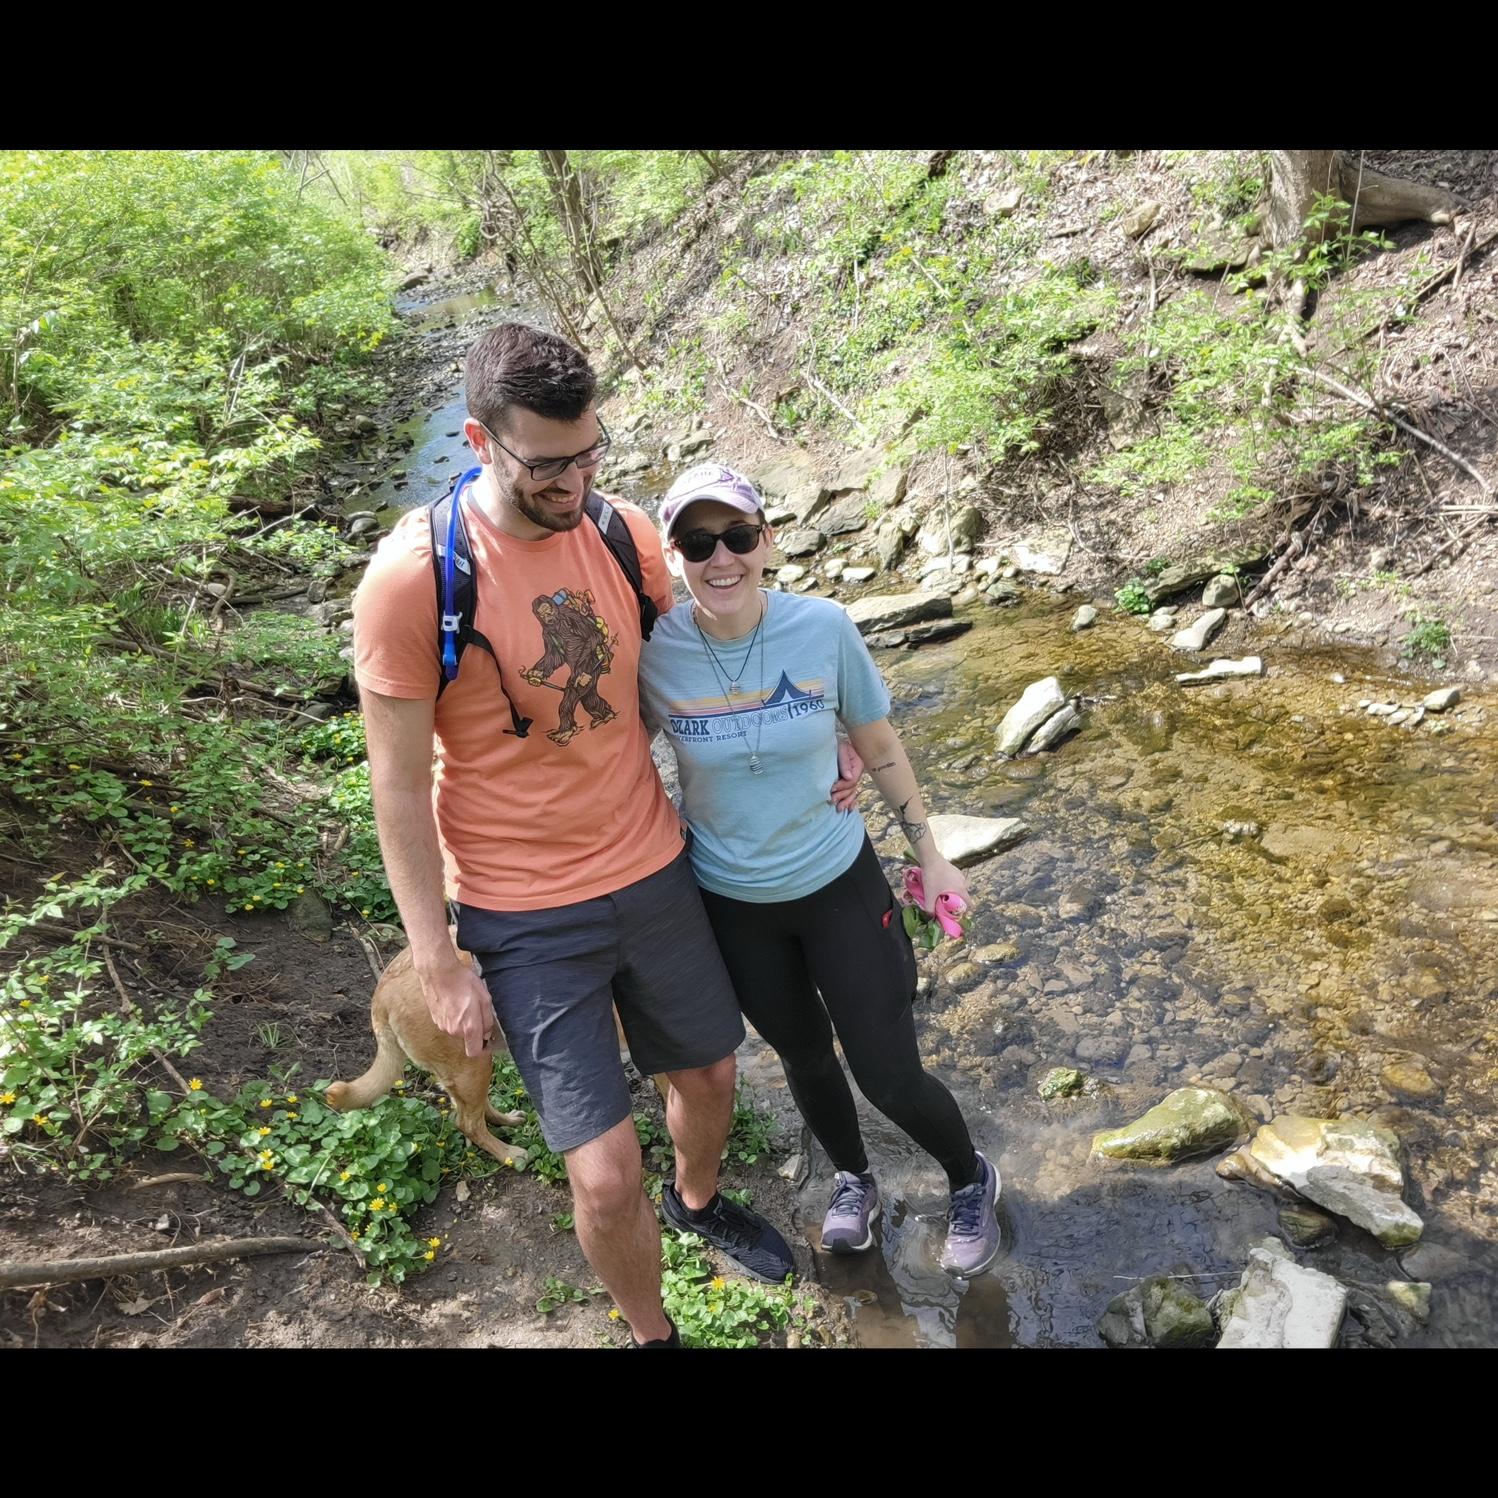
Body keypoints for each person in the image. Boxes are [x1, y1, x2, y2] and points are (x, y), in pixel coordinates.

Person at [352, 325, 828, 1348]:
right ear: (479, 440)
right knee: (604, 1172)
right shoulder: (414, 579)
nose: (573, 480)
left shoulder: (626, 533)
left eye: (588, 452)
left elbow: (684, 675)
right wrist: (437, 961)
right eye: (546, 462)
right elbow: (394, 788)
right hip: (522, 909)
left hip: (653, 867)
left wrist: (822, 743)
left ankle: (696, 1203)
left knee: (708, 1076)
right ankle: (655, 1332)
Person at [637, 463, 1002, 1278]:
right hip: (734, 904)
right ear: (674, 555)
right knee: (804, 1056)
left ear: (766, 541)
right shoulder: (654, 654)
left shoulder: (825, 626)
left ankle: (970, 1178)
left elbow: (877, 744)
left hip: (839, 884)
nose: (719, 558)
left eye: (736, 536)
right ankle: (854, 1180)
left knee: (888, 1071)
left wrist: (932, 856)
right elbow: (613, 763)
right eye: (698, 543)